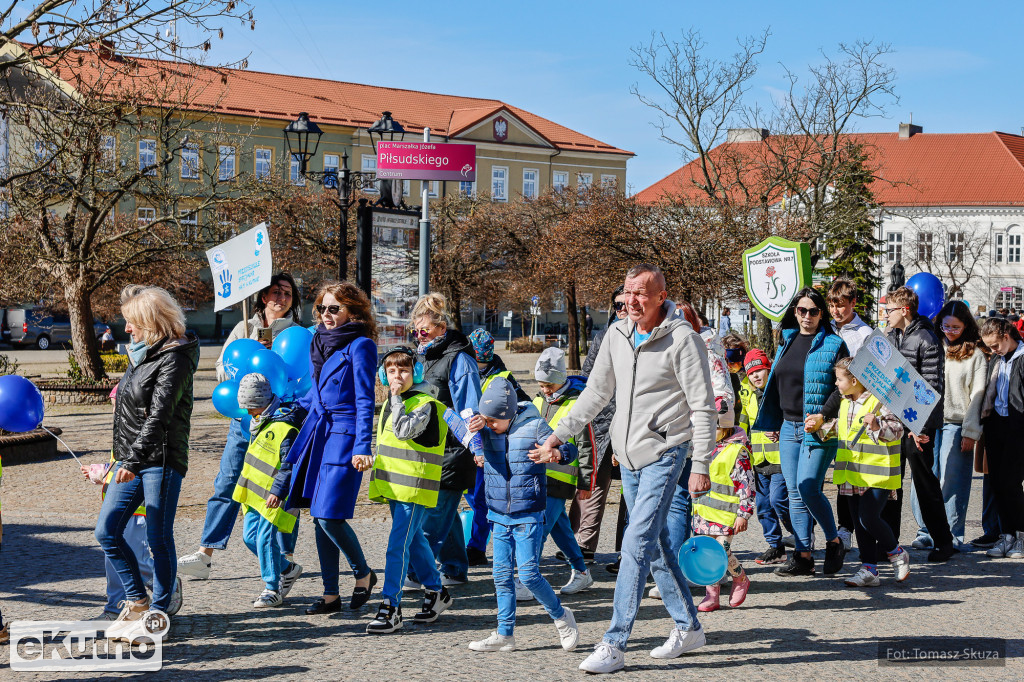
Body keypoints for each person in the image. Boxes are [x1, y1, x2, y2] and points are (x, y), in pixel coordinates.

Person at [541, 264, 716, 674]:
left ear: (660, 297)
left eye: (641, 293)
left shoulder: (683, 340)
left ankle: (615, 642)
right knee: (653, 546)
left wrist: (701, 464)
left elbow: (703, 408)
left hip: (667, 451)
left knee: (635, 543)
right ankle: (689, 626)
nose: (632, 301)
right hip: (629, 455)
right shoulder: (616, 334)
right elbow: (595, 394)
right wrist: (556, 435)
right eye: (627, 292)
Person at [179, 273, 302, 579]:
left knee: (280, 489)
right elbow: (223, 367)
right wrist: (249, 356)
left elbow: (301, 377)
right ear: (264, 297)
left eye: (287, 293)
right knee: (228, 483)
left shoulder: (298, 333)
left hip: (278, 423)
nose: (282, 298)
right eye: (276, 292)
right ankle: (205, 554)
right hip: (243, 420)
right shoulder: (244, 328)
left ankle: (284, 557)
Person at [97, 285, 199, 639]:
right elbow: (127, 415)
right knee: (106, 531)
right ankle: (138, 600)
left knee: (157, 535)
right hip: (132, 459)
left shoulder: (177, 355)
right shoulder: (142, 354)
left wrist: (132, 460)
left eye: (132, 323)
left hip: (162, 460)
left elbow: (159, 416)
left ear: (152, 322)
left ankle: (158, 614)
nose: (126, 329)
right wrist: (112, 465)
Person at [465, 377, 580, 653]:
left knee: (528, 574)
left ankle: (562, 617)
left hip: (528, 512)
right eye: (486, 419)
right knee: (501, 576)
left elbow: (570, 450)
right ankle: (505, 634)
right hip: (497, 512)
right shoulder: (486, 427)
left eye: (494, 421)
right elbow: (472, 440)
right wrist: (475, 443)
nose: (490, 425)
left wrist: (554, 453)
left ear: (508, 413)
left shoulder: (535, 425)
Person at [285, 282, 377, 614]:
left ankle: (364, 573)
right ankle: (330, 593)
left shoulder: (361, 346)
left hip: (346, 434)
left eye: (334, 308)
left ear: (353, 311)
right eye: (322, 308)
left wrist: (363, 445)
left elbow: (366, 400)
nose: (326, 314)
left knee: (328, 514)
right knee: (317, 515)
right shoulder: (318, 342)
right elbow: (315, 394)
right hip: (319, 434)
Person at [754, 287, 849, 578]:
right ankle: (804, 554)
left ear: (822, 314)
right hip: (788, 426)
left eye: (813, 311)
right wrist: (771, 419)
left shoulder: (834, 344)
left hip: (821, 428)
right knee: (794, 494)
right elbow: (776, 383)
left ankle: (834, 541)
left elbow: (842, 387)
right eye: (801, 310)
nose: (807, 316)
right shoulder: (786, 339)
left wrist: (823, 414)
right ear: (794, 312)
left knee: (808, 487)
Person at [365, 348, 453, 633]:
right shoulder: (398, 402)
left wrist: (394, 399)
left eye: (403, 370)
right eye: (391, 371)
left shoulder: (422, 403)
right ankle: (436, 592)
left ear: (414, 373)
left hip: (414, 489)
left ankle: (391, 606)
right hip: (395, 486)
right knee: (413, 542)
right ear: (383, 374)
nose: (397, 376)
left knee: (397, 546)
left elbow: (404, 431)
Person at [406, 293, 482, 588]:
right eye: (415, 330)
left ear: (441, 327)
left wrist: (475, 446)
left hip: (453, 449)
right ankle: (454, 567)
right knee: (446, 515)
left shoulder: (459, 359)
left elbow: (468, 408)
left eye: (423, 329)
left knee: (434, 517)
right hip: (431, 448)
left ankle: (416, 572)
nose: (419, 336)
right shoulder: (424, 357)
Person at [877, 286, 955, 562]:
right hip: (894, 422)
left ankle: (943, 541)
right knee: (891, 483)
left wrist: (918, 426)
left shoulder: (926, 338)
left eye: (889, 309)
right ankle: (889, 543)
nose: (885, 314)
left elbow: (932, 387)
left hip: (917, 426)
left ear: (904, 310)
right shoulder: (893, 336)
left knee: (924, 483)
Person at [824, 358, 910, 587]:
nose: (836, 383)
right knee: (859, 522)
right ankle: (869, 569)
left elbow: (897, 430)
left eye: (839, 379)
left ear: (854, 380)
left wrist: (877, 426)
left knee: (868, 517)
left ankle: (896, 553)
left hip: (878, 474)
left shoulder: (881, 402)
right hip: (852, 473)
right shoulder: (845, 402)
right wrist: (820, 427)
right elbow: (844, 431)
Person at [910, 301, 988, 551]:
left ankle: (953, 533)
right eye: (946, 326)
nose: (950, 331)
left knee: (953, 481)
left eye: (955, 327)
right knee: (923, 478)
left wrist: (971, 431)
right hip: (929, 421)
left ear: (966, 326)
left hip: (957, 423)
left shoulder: (975, 355)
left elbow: (978, 392)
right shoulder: (933, 344)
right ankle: (925, 530)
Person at [232, 373, 305, 608]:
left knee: (264, 538)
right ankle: (287, 568)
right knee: (249, 537)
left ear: (260, 404)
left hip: (273, 495)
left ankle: (272, 588)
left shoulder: (284, 427)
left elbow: (288, 464)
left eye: (250, 407)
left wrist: (278, 491)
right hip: (255, 492)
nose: (248, 413)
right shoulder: (260, 422)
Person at [532, 347, 595, 594]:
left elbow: (587, 445)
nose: (545, 390)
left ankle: (529, 578)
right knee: (560, 527)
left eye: (550, 385)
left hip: (560, 478)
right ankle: (582, 572)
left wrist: (586, 482)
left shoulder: (577, 405)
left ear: (560, 380)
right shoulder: (537, 400)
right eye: (541, 385)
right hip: (537, 476)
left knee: (538, 528)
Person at [465, 328, 528, 567]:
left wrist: (491, 418)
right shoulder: (465, 370)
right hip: (467, 445)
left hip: (490, 447)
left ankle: (477, 547)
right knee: (471, 495)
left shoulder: (502, 378)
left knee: (482, 499)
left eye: (478, 359)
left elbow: (522, 405)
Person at [576, 285, 627, 573]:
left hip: (632, 426)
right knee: (594, 484)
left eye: (625, 304)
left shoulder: (646, 336)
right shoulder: (603, 337)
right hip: (601, 424)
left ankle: (625, 553)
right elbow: (589, 378)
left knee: (630, 493)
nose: (622, 309)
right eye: (617, 305)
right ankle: (584, 546)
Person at [827, 278, 874, 549]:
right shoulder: (828, 328)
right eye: (832, 306)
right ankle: (840, 526)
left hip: (853, 406)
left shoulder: (864, 334)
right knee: (837, 470)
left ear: (853, 303)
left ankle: (851, 527)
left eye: (841, 306)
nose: (836, 311)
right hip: (830, 402)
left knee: (851, 468)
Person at [692, 417, 754, 612]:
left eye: (715, 427)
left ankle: (740, 577)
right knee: (706, 554)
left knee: (721, 550)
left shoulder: (737, 452)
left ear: (725, 428)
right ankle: (712, 595)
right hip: (703, 512)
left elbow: (747, 485)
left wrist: (744, 513)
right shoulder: (702, 447)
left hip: (726, 515)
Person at [739, 349, 792, 565]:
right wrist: (740, 445)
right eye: (751, 373)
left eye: (760, 370)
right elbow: (744, 423)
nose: (756, 376)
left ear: (768, 369)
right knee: (762, 504)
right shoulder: (748, 395)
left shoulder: (780, 392)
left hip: (780, 458)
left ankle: (801, 532)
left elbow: (791, 418)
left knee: (778, 499)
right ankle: (776, 547)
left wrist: (781, 430)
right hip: (758, 460)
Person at [979, 318, 1024, 559]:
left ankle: (1020, 535)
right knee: (996, 482)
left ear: (1007, 336)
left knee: (1012, 483)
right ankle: (1006, 535)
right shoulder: (997, 359)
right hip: (996, 423)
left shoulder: (1022, 357)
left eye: (995, 345)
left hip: (1018, 426)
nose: (993, 351)